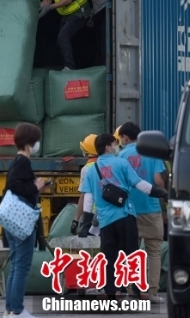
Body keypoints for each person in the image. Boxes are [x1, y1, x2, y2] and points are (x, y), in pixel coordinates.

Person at [77, 133, 169, 300]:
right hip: (125, 215)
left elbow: (88, 199)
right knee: (132, 254)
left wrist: (86, 222)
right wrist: (161, 193)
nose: (116, 147)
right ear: (107, 147)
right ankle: (138, 290)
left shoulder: (92, 170)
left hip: (105, 221)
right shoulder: (121, 163)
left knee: (109, 256)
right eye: (114, 144)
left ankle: (111, 291)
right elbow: (140, 184)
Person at [1, 123, 46, 318]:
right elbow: (15, 186)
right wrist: (35, 186)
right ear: (29, 143)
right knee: (22, 266)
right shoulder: (23, 162)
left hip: (12, 221)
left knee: (16, 264)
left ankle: (10, 311)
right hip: (22, 221)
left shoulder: (15, 161)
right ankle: (18, 311)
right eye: (35, 141)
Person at [118, 122, 166, 303]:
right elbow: (158, 182)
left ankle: (132, 292)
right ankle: (152, 292)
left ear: (125, 137)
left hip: (128, 211)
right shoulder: (152, 153)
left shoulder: (121, 155)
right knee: (154, 251)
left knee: (131, 252)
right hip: (151, 209)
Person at [70, 134, 101, 238]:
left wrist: (76, 220)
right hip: (108, 213)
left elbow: (83, 197)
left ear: (86, 151)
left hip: (92, 216)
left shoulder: (86, 169)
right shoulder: (108, 164)